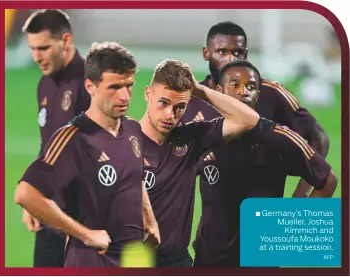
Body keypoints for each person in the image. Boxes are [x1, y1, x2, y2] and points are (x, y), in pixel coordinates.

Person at [14, 42, 148, 268]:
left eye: (129, 85)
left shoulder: (133, 130)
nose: (124, 96)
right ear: (90, 86)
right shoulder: (74, 137)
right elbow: (25, 194)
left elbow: (134, 177)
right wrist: (85, 234)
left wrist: (149, 218)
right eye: (114, 87)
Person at [193, 60, 338, 267]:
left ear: (258, 95)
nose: (243, 91)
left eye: (251, 87)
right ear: (219, 91)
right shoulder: (202, 135)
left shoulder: (279, 138)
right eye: (234, 85)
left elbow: (328, 181)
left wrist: (292, 224)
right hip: (209, 258)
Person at [139, 58, 276, 267]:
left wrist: (199, 90)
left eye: (180, 107)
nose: (170, 115)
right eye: (164, 102)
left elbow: (249, 120)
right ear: (148, 93)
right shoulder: (122, 141)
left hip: (178, 263)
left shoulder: (190, 138)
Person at [181, 21, 330, 198]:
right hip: (214, 222)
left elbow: (318, 138)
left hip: (263, 220)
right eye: (222, 52)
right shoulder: (193, 101)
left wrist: (297, 202)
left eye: (238, 52)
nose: (231, 59)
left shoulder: (272, 94)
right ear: (206, 53)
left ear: (246, 54)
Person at [20, 9, 91, 267]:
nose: (36, 56)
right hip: (49, 217)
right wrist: (33, 199)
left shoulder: (90, 84)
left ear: (66, 40)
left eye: (44, 48)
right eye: (32, 48)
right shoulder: (45, 84)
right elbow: (47, 146)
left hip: (81, 220)